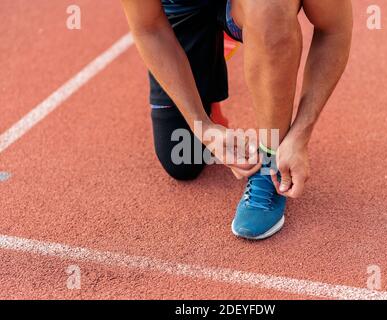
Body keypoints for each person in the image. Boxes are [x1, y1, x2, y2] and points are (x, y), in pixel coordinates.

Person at [120, 0, 353, 240]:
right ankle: (208, 83)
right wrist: (203, 126)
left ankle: (269, 162)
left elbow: (334, 29)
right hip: (182, 8)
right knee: (182, 158)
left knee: (270, 10)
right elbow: (149, 29)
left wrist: (299, 135)